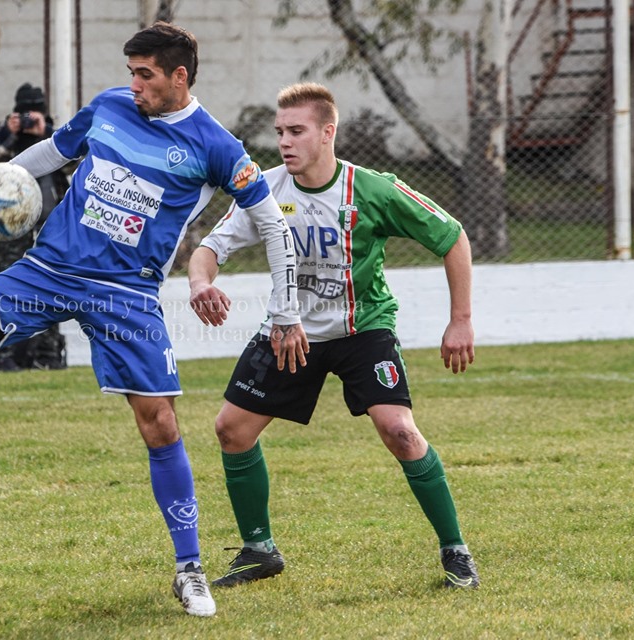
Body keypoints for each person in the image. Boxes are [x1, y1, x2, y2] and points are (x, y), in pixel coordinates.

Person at [0, 22, 305, 617]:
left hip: (126, 294)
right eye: (130, 72)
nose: (133, 86)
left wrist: (285, 312)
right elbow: (53, 152)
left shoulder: (215, 146)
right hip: (49, 267)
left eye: (145, 75)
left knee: (160, 425)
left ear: (180, 77)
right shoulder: (108, 105)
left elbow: (273, 223)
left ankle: (189, 569)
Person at [187, 82, 480, 591]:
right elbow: (210, 247)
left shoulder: (372, 190)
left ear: (328, 133)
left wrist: (461, 319)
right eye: (279, 132)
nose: (284, 142)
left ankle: (456, 550)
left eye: (296, 131)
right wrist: (200, 282)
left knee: (401, 431)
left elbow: (452, 236)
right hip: (288, 331)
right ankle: (259, 550)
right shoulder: (264, 189)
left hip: (361, 328)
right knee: (231, 430)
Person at [0, 83, 69, 371]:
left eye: (35, 112)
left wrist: (45, 136)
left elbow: (78, 168)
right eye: (24, 112)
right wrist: (8, 136)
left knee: (50, 289)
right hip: (8, 227)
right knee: (5, 287)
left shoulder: (59, 139)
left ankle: (48, 353)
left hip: (50, 225)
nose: (29, 118)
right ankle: (5, 355)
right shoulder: (5, 136)